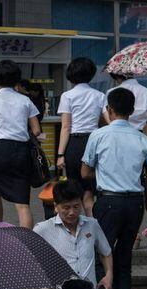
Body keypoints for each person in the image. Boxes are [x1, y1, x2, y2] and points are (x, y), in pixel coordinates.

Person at [81, 87, 147, 289]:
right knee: (124, 260)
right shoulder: (143, 139)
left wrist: (104, 173)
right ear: (131, 111)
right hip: (135, 203)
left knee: (100, 255)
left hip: (108, 201)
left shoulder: (98, 135)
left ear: (109, 109)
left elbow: (85, 172)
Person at [0, 60, 41, 228]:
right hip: (22, 151)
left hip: (1, 150)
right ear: (17, 79)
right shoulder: (25, 101)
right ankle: (28, 242)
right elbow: (36, 130)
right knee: (22, 204)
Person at [34, 180, 113, 289]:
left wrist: (109, 275)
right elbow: (32, 261)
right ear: (56, 207)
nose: (72, 212)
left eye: (76, 207)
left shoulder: (92, 225)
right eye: (66, 208)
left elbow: (106, 253)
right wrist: (44, 285)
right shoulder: (42, 229)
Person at [56, 57, 110, 217]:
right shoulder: (100, 96)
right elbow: (109, 122)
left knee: (76, 188)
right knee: (90, 188)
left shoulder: (67, 96)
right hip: (95, 142)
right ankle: (94, 227)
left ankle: (81, 229)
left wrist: (60, 155)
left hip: (75, 144)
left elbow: (66, 127)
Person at [108, 73, 147, 250]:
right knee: (140, 187)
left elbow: (108, 118)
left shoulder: (112, 91)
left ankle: (122, 234)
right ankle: (134, 235)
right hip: (141, 139)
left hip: (116, 139)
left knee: (117, 183)